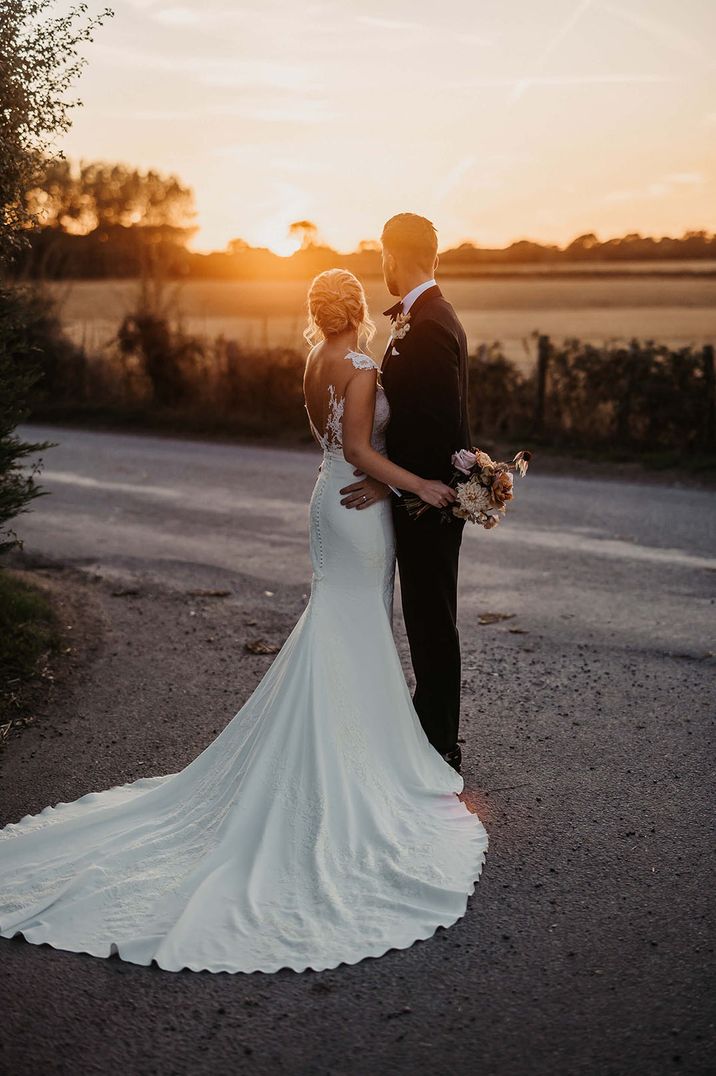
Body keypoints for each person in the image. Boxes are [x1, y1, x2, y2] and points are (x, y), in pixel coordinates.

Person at [0, 268, 487, 975]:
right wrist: (418, 483)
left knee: (340, 625)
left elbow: (332, 446)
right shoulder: (355, 366)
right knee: (352, 625)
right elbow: (356, 450)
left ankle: (355, 743)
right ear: (357, 311)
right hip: (357, 506)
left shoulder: (315, 359)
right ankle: (355, 761)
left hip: (327, 501)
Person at [340, 214, 470, 773]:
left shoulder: (434, 322)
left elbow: (439, 425)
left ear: (393, 255)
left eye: (381, 256)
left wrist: (410, 485)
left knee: (431, 618)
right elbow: (415, 415)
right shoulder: (422, 316)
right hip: (419, 490)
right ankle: (428, 729)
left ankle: (440, 743)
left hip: (431, 498)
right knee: (423, 615)